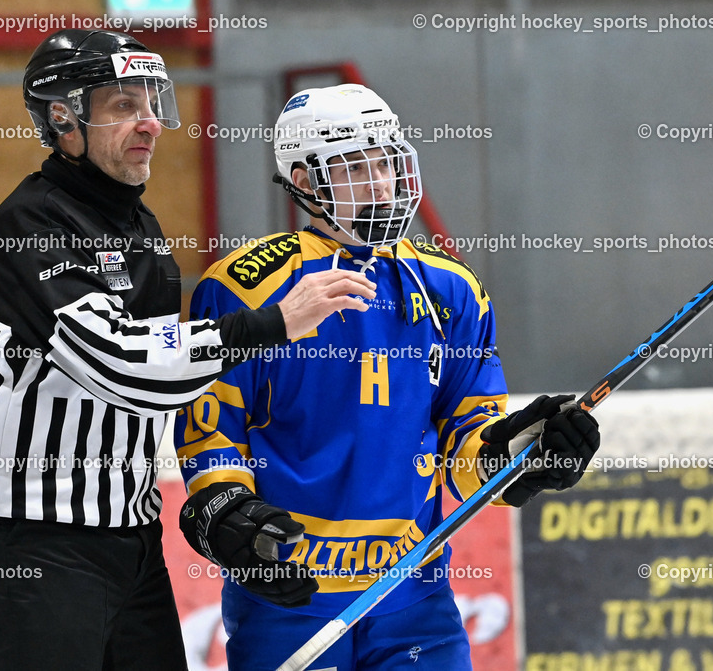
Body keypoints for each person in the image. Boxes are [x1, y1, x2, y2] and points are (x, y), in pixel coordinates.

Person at [0, 30, 375, 670]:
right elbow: (124, 365)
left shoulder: (137, 226)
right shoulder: (29, 224)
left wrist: (223, 510)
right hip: (34, 538)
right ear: (63, 118)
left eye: (153, 103)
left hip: (131, 533)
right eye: (124, 105)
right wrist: (273, 324)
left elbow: (173, 369)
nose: (150, 122)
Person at [175, 83, 601, 670]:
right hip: (287, 597)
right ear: (304, 182)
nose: (380, 184)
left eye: (386, 162)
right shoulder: (242, 289)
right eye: (355, 167)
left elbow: (467, 439)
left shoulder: (452, 289)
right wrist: (227, 511)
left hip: (415, 599)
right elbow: (211, 428)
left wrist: (517, 454)